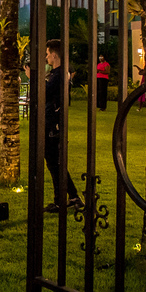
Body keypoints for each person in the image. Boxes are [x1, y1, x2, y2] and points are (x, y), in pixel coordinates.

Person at [43, 40, 83, 214]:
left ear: (54, 54)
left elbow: (45, 93)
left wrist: (32, 78)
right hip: (51, 121)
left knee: (54, 162)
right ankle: (70, 198)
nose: (46, 57)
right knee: (54, 162)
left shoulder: (59, 74)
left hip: (54, 123)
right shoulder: (57, 73)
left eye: (47, 53)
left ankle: (65, 200)